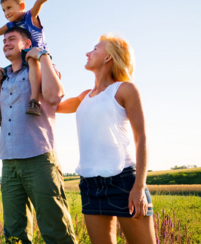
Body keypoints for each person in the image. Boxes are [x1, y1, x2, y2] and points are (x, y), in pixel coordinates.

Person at [0, 26, 77, 244]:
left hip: (39, 158)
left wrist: (43, 56)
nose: (6, 43)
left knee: (55, 228)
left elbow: (55, 96)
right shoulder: (3, 79)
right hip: (9, 163)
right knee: (14, 232)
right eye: (3, 41)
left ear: (27, 44)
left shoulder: (40, 69)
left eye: (11, 38)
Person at [57, 34, 155, 244]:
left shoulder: (125, 89)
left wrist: (139, 186)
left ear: (109, 57)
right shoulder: (84, 96)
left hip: (124, 180)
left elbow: (142, 138)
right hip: (90, 184)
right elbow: (51, 105)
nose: (88, 53)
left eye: (94, 49)